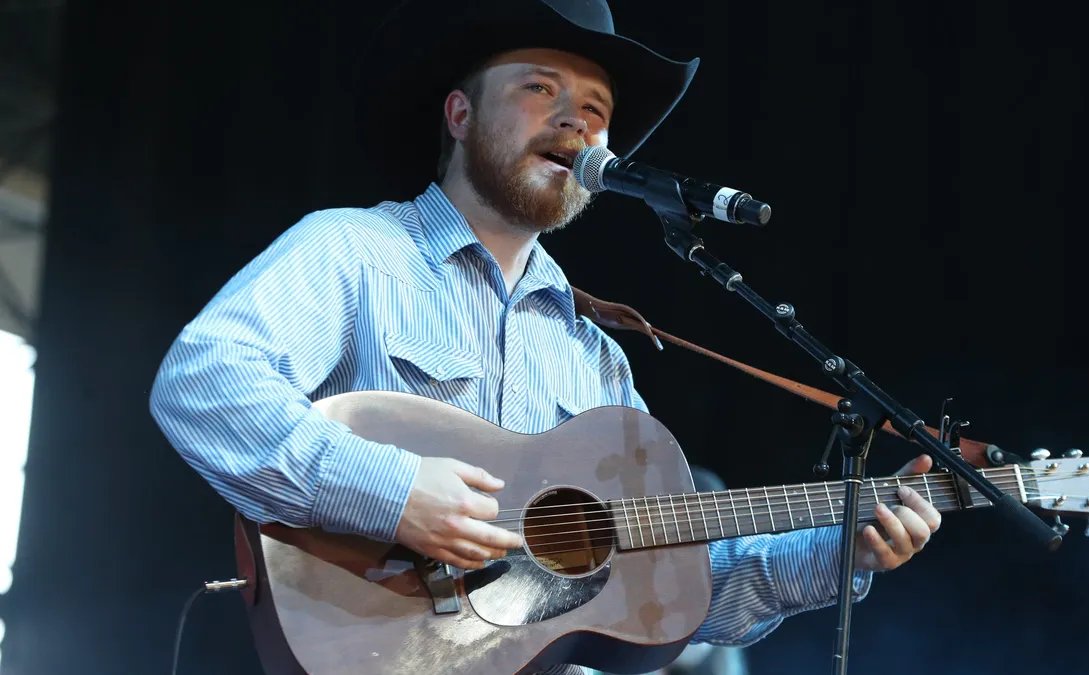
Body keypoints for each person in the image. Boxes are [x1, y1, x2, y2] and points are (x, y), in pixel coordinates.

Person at [148, 1, 942, 673]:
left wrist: (839, 554)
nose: (577, 120)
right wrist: (392, 492)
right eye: (540, 89)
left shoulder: (594, 356)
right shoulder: (355, 252)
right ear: (459, 114)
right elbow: (204, 382)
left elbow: (667, 588)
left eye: (597, 110)